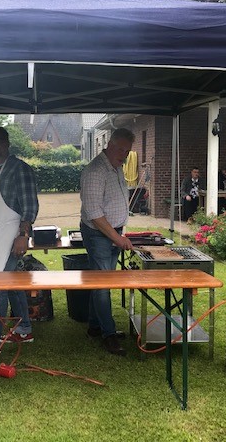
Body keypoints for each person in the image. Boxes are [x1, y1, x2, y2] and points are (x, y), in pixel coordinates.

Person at [0, 126, 39, 357]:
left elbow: (29, 205)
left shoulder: (19, 169)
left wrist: (23, 236)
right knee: (10, 283)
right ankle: (24, 328)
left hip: (10, 234)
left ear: (7, 142)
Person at [80, 128, 135, 356]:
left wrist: (119, 233)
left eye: (127, 151)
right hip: (99, 234)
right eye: (121, 148)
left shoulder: (116, 167)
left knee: (100, 281)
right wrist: (118, 238)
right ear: (109, 144)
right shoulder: (95, 171)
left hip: (113, 233)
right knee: (103, 285)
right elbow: (94, 213)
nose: (123, 154)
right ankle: (108, 334)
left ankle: (95, 326)